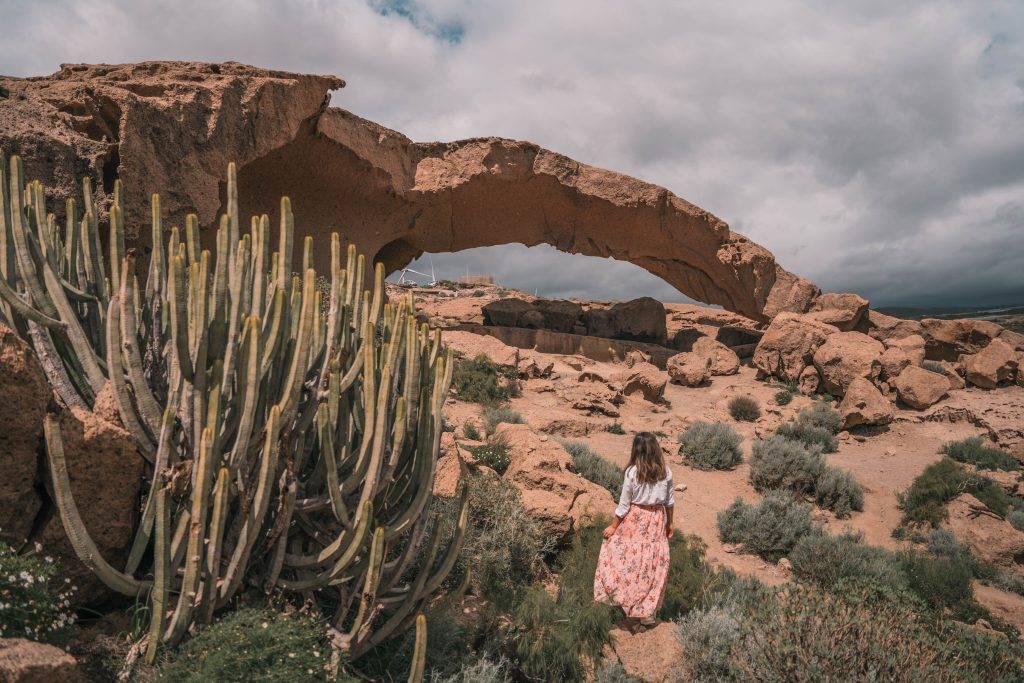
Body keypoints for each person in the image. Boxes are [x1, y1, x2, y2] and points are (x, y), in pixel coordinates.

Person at [593, 432, 678, 628]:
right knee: (653, 564)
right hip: (656, 518)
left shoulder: (632, 472)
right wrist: (669, 523)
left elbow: (624, 504)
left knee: (628, 559)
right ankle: (646, 613)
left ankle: (625, 602)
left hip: (635, 518)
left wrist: (613, 526)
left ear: (636, 451)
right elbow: (670, 502)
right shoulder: (666, 472)